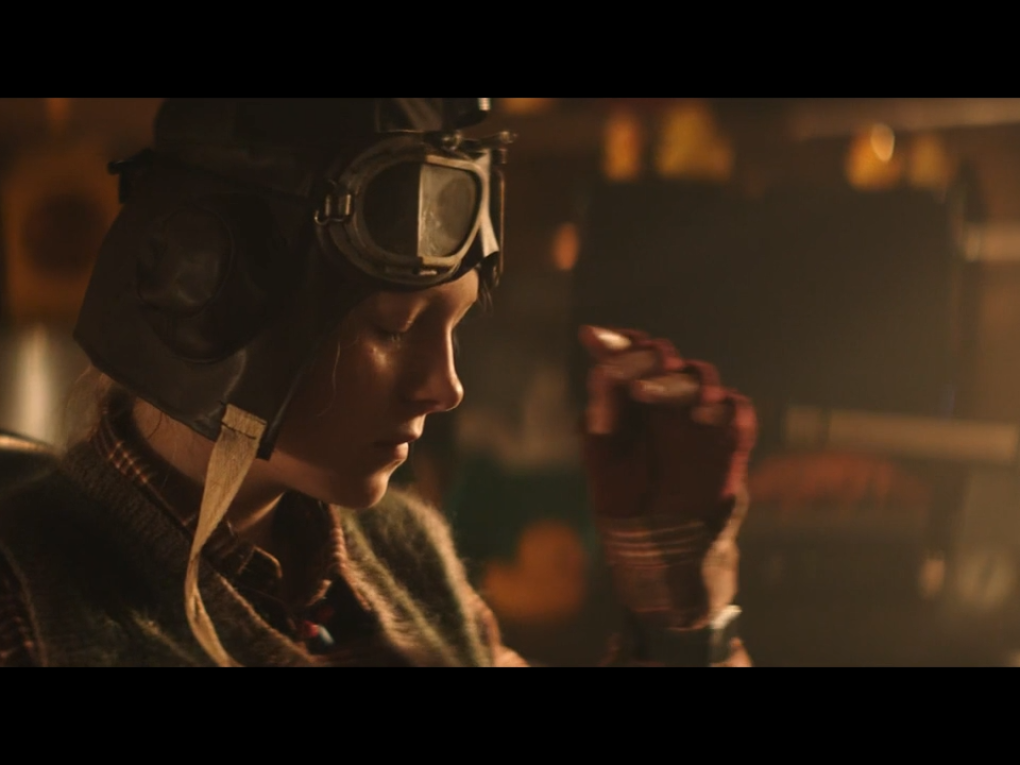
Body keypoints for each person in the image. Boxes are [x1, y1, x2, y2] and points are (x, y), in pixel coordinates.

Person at [0, 98, 755, 667]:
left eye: (454, 328)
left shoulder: (405, 556)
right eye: (395, 327)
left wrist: (677, 603)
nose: (446, 387)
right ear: (207, 297)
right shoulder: (26, 597)